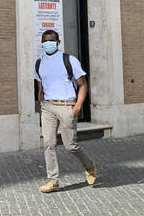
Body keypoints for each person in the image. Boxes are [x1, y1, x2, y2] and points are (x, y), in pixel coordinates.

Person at [34, 29, 97, 193]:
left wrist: (77, 108)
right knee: (48, 143)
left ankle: (89, 165)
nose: (48, 44)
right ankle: (53, 181)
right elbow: (40, 85)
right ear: (42, 43)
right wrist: (42, 105)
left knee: (70, 146)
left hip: (67, 106)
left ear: (58, 42)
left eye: (52, 41)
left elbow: (83, 84)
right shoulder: (39, 63)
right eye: (45, 41)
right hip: (48, 107)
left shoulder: (69, 60)